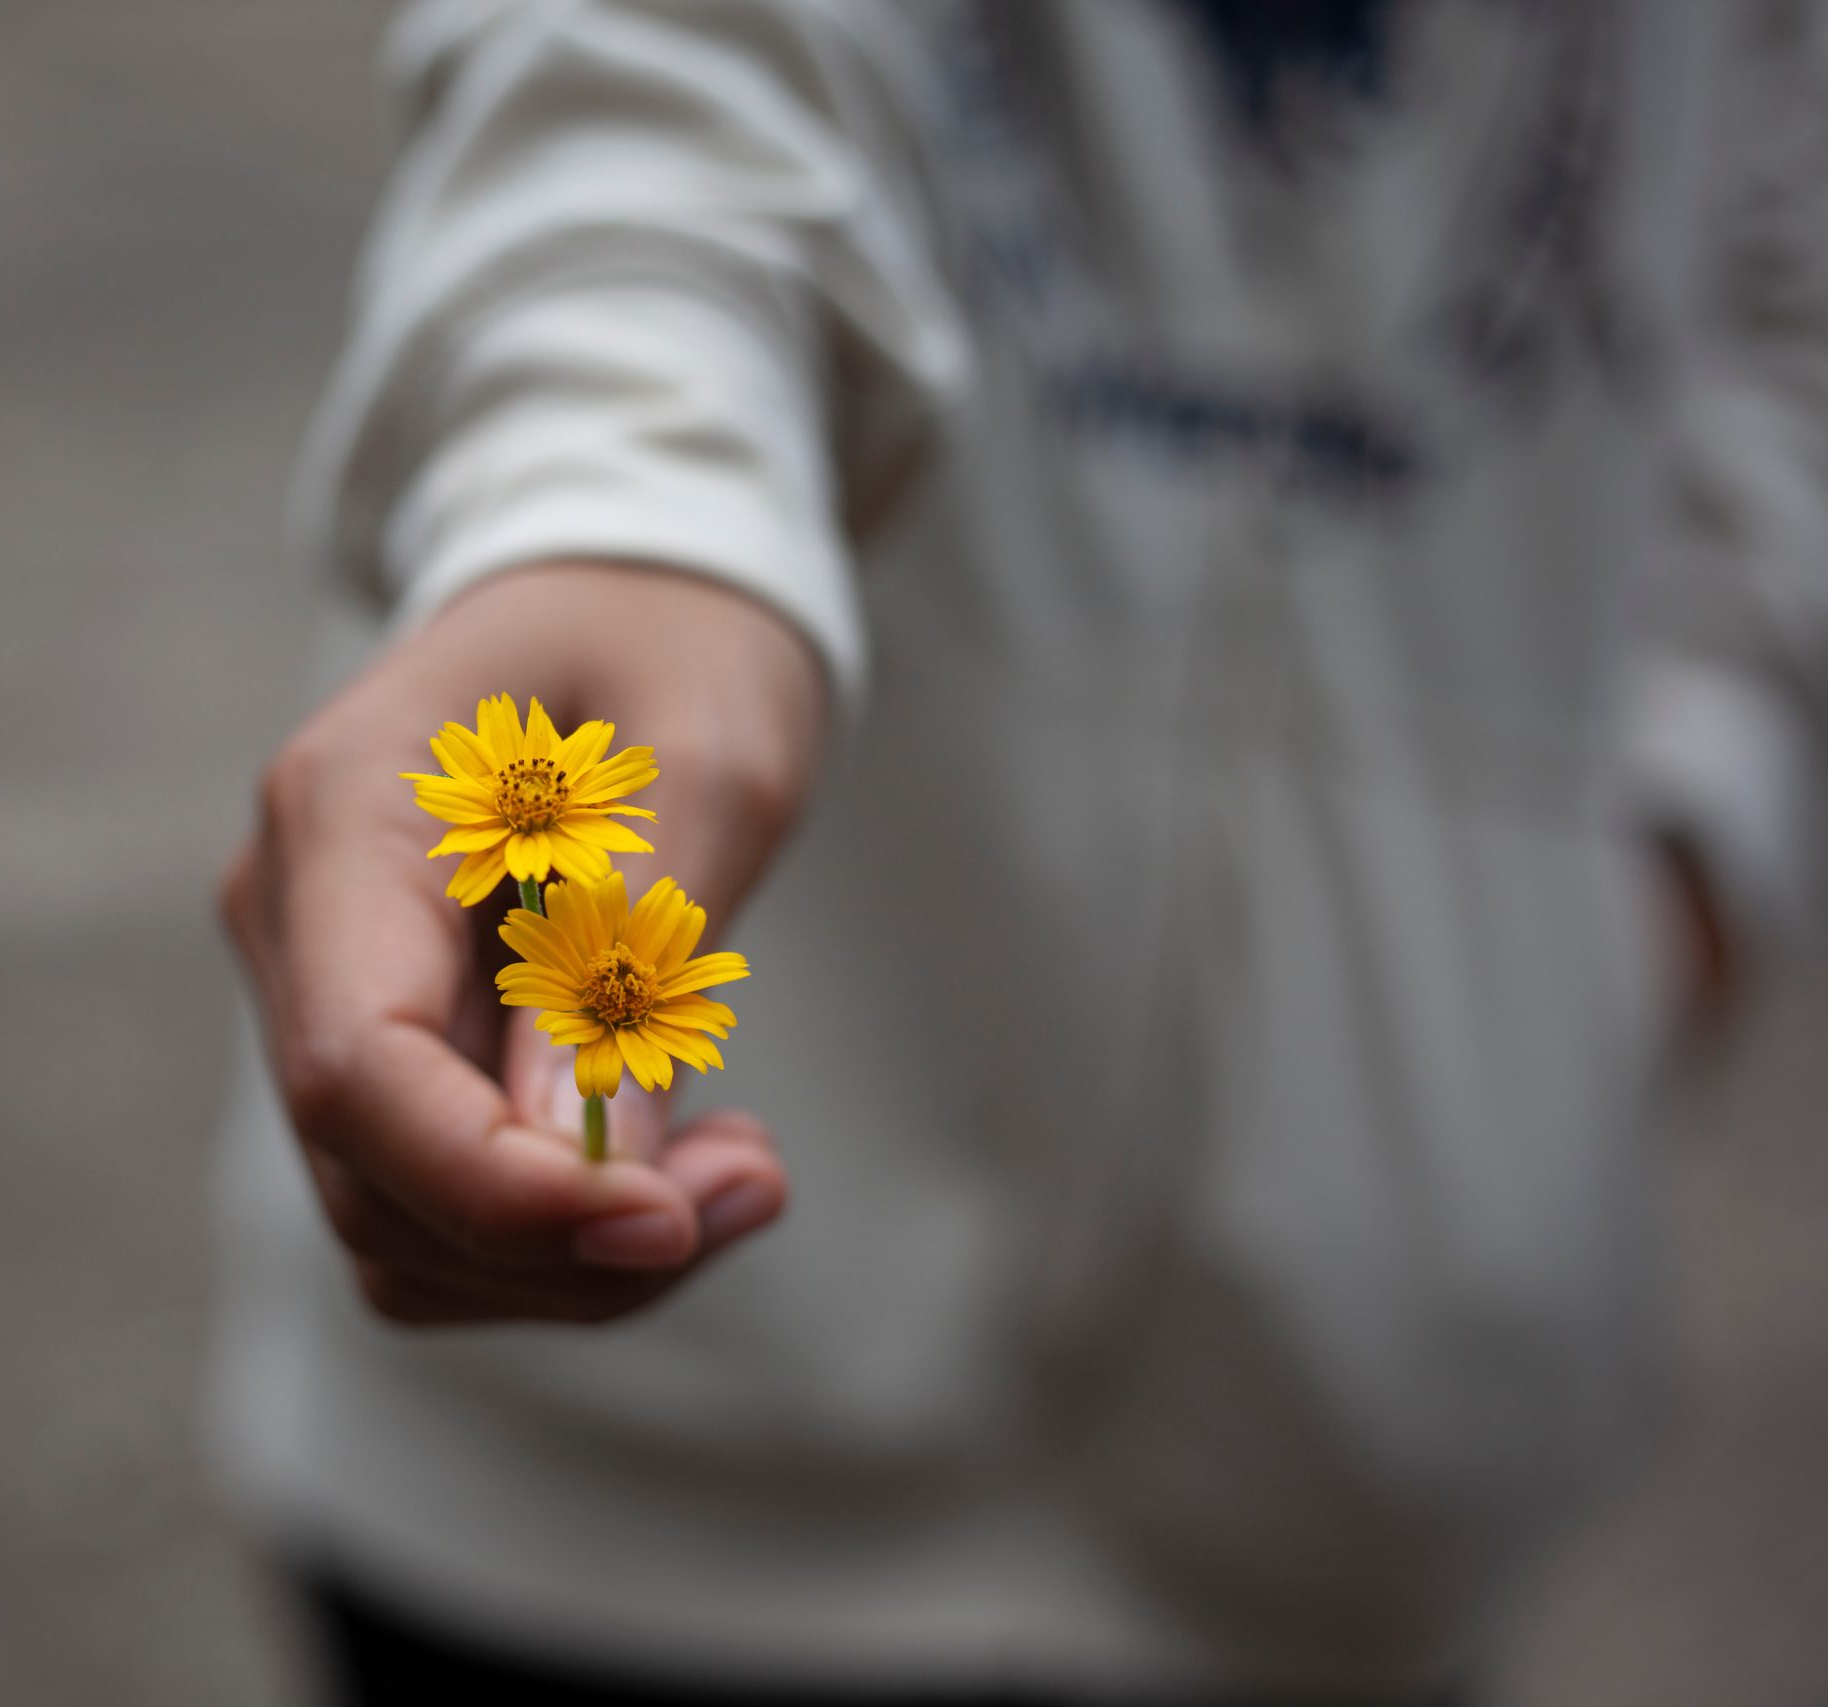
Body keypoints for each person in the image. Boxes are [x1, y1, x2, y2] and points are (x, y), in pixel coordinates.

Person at [209, 3, 1828, 1703]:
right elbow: (651, 77)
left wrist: (1674, 876)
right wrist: (622, 488)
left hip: (1353, 1486)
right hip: (606, 1501)